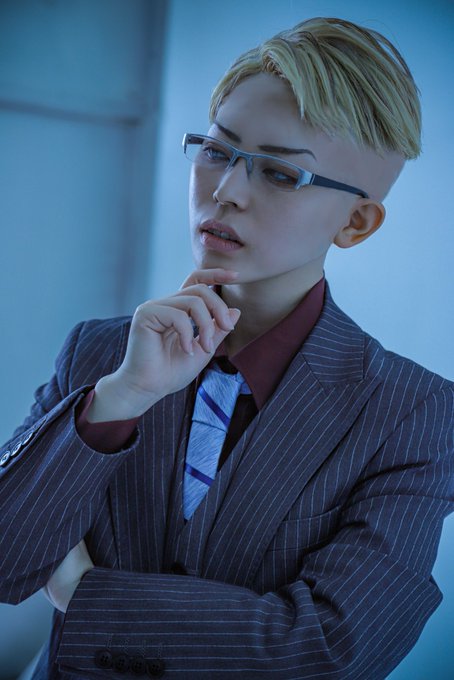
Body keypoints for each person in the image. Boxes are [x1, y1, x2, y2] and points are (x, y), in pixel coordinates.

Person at [0, 16, 453, 680]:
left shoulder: (413, 412)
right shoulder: (100, 354)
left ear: (356, 222)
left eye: (280, 174)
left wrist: (81, 593)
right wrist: (121, 397)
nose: (225, 191)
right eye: (216, 150)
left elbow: (328, 652)